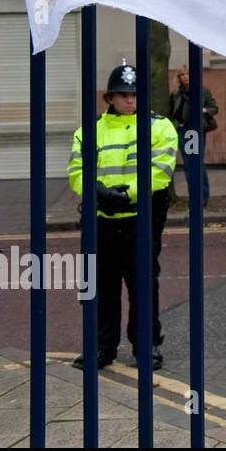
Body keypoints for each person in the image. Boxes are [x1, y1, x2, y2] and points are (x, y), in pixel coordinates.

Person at [68, 62, 178, 370]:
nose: (130, 100)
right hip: (102, 218)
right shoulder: (89, 131)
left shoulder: (160, 127)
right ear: (110, 98)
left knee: (143, 285)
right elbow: (77, 171)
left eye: (134, 95)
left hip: (140, 219)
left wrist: (126, 193)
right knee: (101, 287)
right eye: (123, 94)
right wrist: (100, 192)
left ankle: (147, 347)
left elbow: (160, 171)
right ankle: (102, 347)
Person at [169, 65, 218, 207]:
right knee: (188, 164)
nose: (185, 77)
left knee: (196, 163)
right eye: (182, 75)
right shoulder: (176, 94)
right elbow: (172, 112)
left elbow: (214, 108)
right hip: (182, 130)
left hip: (194, 131)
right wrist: (176, 124)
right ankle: (195, 195)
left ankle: (203, 195)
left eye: (187, 74)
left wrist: (205, 110)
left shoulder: (202, 92)